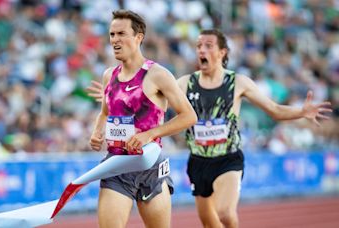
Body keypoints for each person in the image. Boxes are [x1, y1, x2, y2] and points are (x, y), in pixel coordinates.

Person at [87, 28, 332, 228]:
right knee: (209, 222)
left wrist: (301, 111)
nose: (201, 50)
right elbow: (153, 99)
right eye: (198, 47)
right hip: (199, 160)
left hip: (228, 158)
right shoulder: (185, 82)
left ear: (222, 52)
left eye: (208, 46)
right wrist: (116, 94)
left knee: (225, 213)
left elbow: (274, 110)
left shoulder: (238, 83)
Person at [89, 10, 197, 228]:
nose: (115, 40)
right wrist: (97, 131)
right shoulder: (109, 75)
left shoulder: (157, 74)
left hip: (150, 167)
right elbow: (105, 112)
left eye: (121, 34)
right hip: (117, 166)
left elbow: (189, 116)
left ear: (138, 37)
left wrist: (150, 134)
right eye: (112, 34)